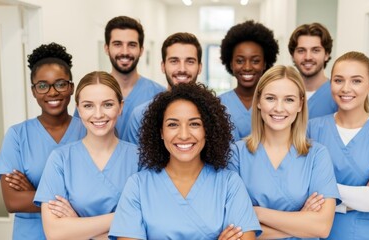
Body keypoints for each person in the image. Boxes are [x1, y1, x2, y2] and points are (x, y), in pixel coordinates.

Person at [109, 83, 261, 239]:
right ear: (161, 132)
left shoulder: (230, 184)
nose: (183, 135)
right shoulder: (138, 186)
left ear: (207, 130)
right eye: (173, 124)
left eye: (194, 124)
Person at [229, 65, 340, 239]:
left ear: (300, 104)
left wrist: (257, 214)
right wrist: (302, 220)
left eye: (289, 100)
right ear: (258, 101)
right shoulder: (237, 155)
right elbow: (235, 230)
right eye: (271, 98)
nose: (279, 108)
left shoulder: (317, 155)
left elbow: (322, 227)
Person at [307, 51, 369, 239]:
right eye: (338, 80)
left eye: (356, 81)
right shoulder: (311, 129)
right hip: (320, 234)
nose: (346, 88)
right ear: (331, 84)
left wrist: (325, 192)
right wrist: (364, 193)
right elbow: (299, 191)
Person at [0, 42, 86, 239]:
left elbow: (102, 195)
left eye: (60, 83)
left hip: (79, 234)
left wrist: (35, 192)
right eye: (42, 86)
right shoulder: (17, 136)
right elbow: (13, 201)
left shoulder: (89, 130)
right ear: (34, 91)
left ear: (71, 88)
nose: (52, 92)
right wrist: (75, 201)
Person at [34, 71, 140, 239]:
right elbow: (54, 233)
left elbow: (147, 226)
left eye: (107, 104)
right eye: (88, 105)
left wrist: (77, 224)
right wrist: (122, 217)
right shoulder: (60, 159)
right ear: (78, 109)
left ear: (121, 107)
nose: (98, 114)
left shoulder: (140, 159)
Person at [75, 16, 165, 139]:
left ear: (141, 50)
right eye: (117, 44)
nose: (125, 52)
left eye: (132, 45)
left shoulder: (159, 95)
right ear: (106, 48)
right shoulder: (89, 93)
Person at [123, 32, 202, 144]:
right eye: (174, 61)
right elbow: (132, 159)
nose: (182, 69)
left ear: (199, 67)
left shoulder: (214, 114)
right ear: (163, 66)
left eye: (190, 61)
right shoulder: (141, 116)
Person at [219, 20, 279, 141]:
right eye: (240, 61)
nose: (247, 67)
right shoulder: (218, 105)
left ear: (265, 64)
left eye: (255, 61)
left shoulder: (276, 103)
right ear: (231, 64)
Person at [288, 22, 338, 119]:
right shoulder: (283, 91)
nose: (308, 57)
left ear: (326, 54)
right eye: (301, 50)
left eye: (315, 50)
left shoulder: (338, 94)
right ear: (293, 56)